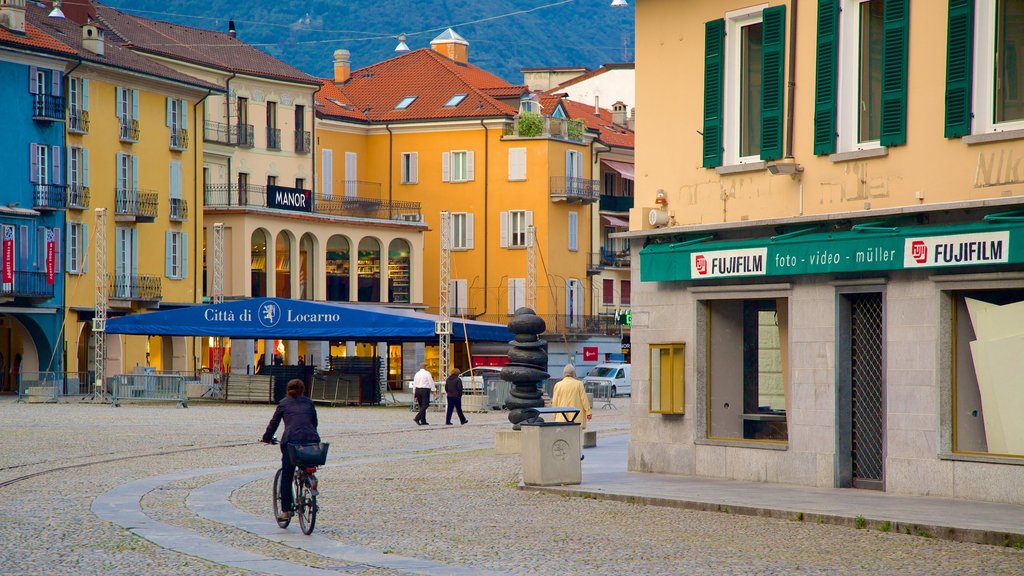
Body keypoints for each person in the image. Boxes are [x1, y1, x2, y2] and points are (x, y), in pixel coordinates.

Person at [262, 379, 320, 522]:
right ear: (303, 390)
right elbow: (314, 423)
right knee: (307, 465)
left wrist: (267, 438)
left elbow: (273, 424)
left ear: (287, 390)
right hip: (311, 441)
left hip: (291, 442)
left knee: (287, 474)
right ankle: (309, 486)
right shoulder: (309, 403)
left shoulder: (283, 403)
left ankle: (286, 510)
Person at [550, 364, 592, 431]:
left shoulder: (558, 385)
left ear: (564, 373)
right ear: (574, 373)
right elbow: (584, 399)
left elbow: (555, 402)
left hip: (561, 417)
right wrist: (588, 412)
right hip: (576, 417)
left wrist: (554, 415)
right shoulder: (579, 384)